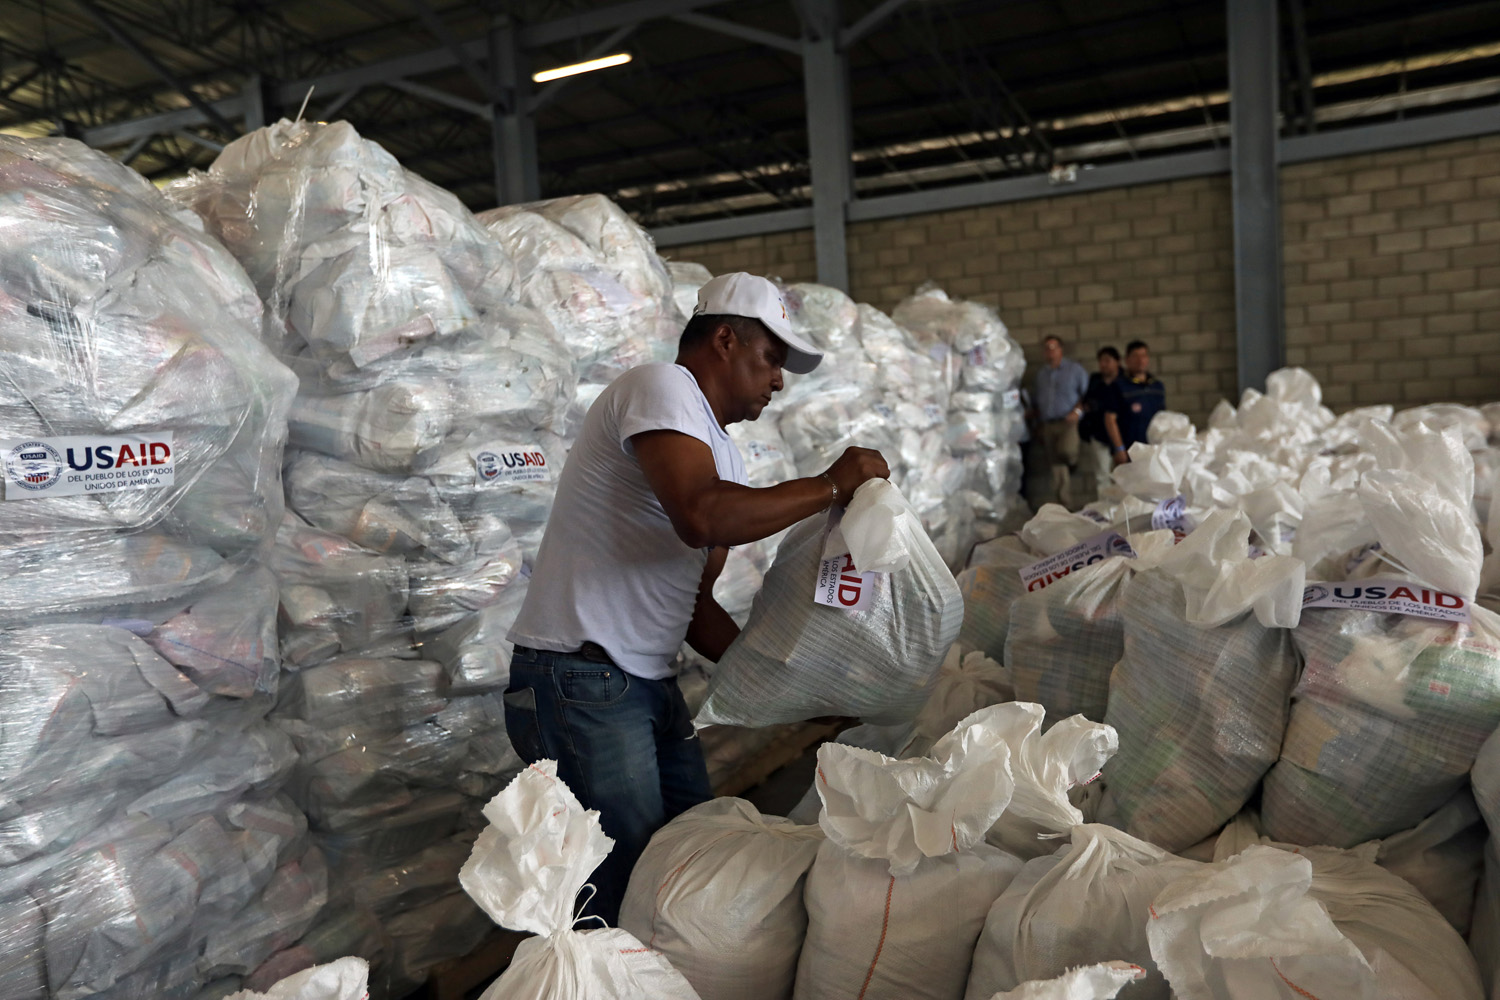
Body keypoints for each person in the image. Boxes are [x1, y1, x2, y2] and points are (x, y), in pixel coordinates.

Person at [504, 272, 890, 922]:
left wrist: (797, 691)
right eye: (771, 359)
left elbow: (694, 607)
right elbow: (701, 516)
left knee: (689, 855)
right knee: (627, 883)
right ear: (724, 339)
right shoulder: (660, 387)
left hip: (642, 684)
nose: (778, 381)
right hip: (580, 676)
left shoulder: (725, 458)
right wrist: (829, 486)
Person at [1030, 335, 1089, 508]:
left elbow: (1086, 394)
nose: (1050, 351)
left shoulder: (1075, 370)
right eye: (1046, 347)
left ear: (1061, 349)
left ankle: (1073, 462)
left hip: (1068, 421)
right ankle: (1065, 503)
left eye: (1053, 347)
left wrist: (1077, 411)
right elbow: (1036, 399)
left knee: (1067, 451)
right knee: (1056, 465)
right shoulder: (1041, 374)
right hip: (1048, 423)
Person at [1103, 339, 1167, 465]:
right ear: (1127, 360)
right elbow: (1110, 419)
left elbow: (1163, 418)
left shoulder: (1157, 386)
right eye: (1135, 356)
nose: (1140, 360)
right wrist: (1119, 448)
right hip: (1129, 451)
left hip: (1153, 450)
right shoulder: (1118, 386)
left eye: (1143, 356)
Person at [1080, 346, 1121, 489]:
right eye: (1101, 361)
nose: (1104, 364)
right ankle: (1105, 508)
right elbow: (1086, 402)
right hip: (1099, 433)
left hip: (1121, 435)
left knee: (1123, 475)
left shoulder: (1124, 382)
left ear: (1117, 362)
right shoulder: (1095, 381)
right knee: (1102, 475)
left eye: (1108, 360)